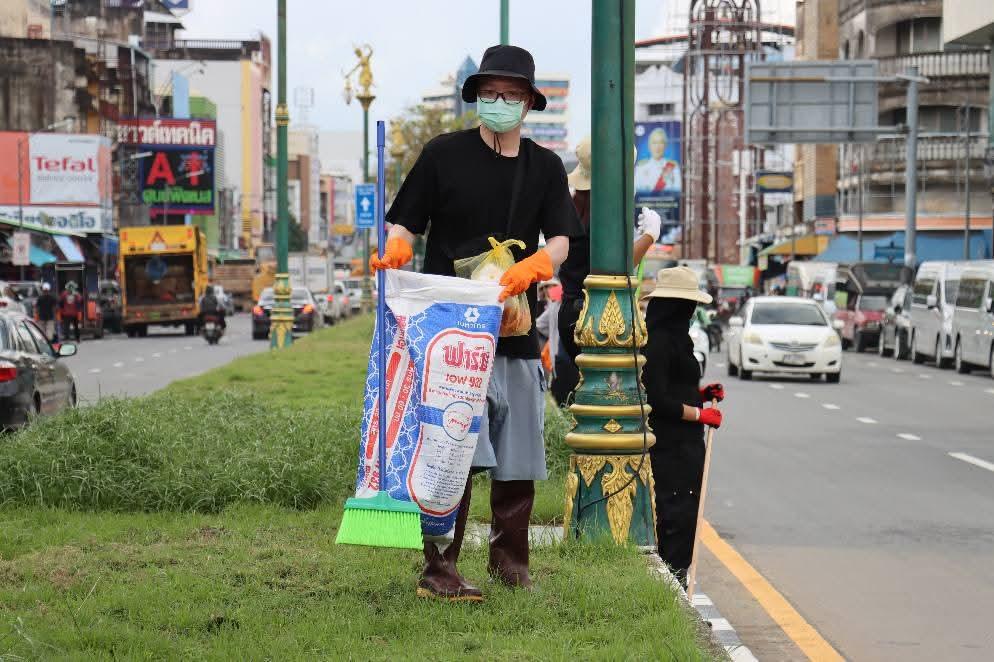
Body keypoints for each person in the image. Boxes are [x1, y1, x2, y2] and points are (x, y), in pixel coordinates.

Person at [373, 44, 582, 602]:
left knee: (518, 450)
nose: (500, 102)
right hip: (448, 329)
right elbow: (405, 223)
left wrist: (537, 265)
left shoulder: (545, 166)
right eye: (490, 92)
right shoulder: (443, 154)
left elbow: (562, 240)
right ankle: (440, 569)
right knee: (451, 447)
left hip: (513, 325)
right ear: (476, 97)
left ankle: (510, 566)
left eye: (511, 94)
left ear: (529, 103)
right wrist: (397, 249)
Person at [557, 135, 662, 397]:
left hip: (573, 313)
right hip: (594, 319)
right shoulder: (603, 216)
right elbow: (616, 267)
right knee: (610, 397)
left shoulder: (576, 209)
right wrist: (649, 236)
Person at [640, 266, 725, 586]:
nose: (691, 312)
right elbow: (657, 399)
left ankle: (679, 579)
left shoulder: (680, 338)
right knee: (675, 515)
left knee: (688, 513)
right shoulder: (659, 341)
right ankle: (672, 586)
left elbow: (677, 388)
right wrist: (700, 415)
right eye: (688, 305)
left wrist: (702, 395)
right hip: (669, 446)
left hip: (687, 444)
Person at [634, 127, 681, 194]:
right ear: (649, 146)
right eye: (654, 143)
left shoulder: (673, 166)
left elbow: (678, 191)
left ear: (665, 146)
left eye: (661, 143)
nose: (657, 147)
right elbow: (637, 191)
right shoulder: (641, 166)